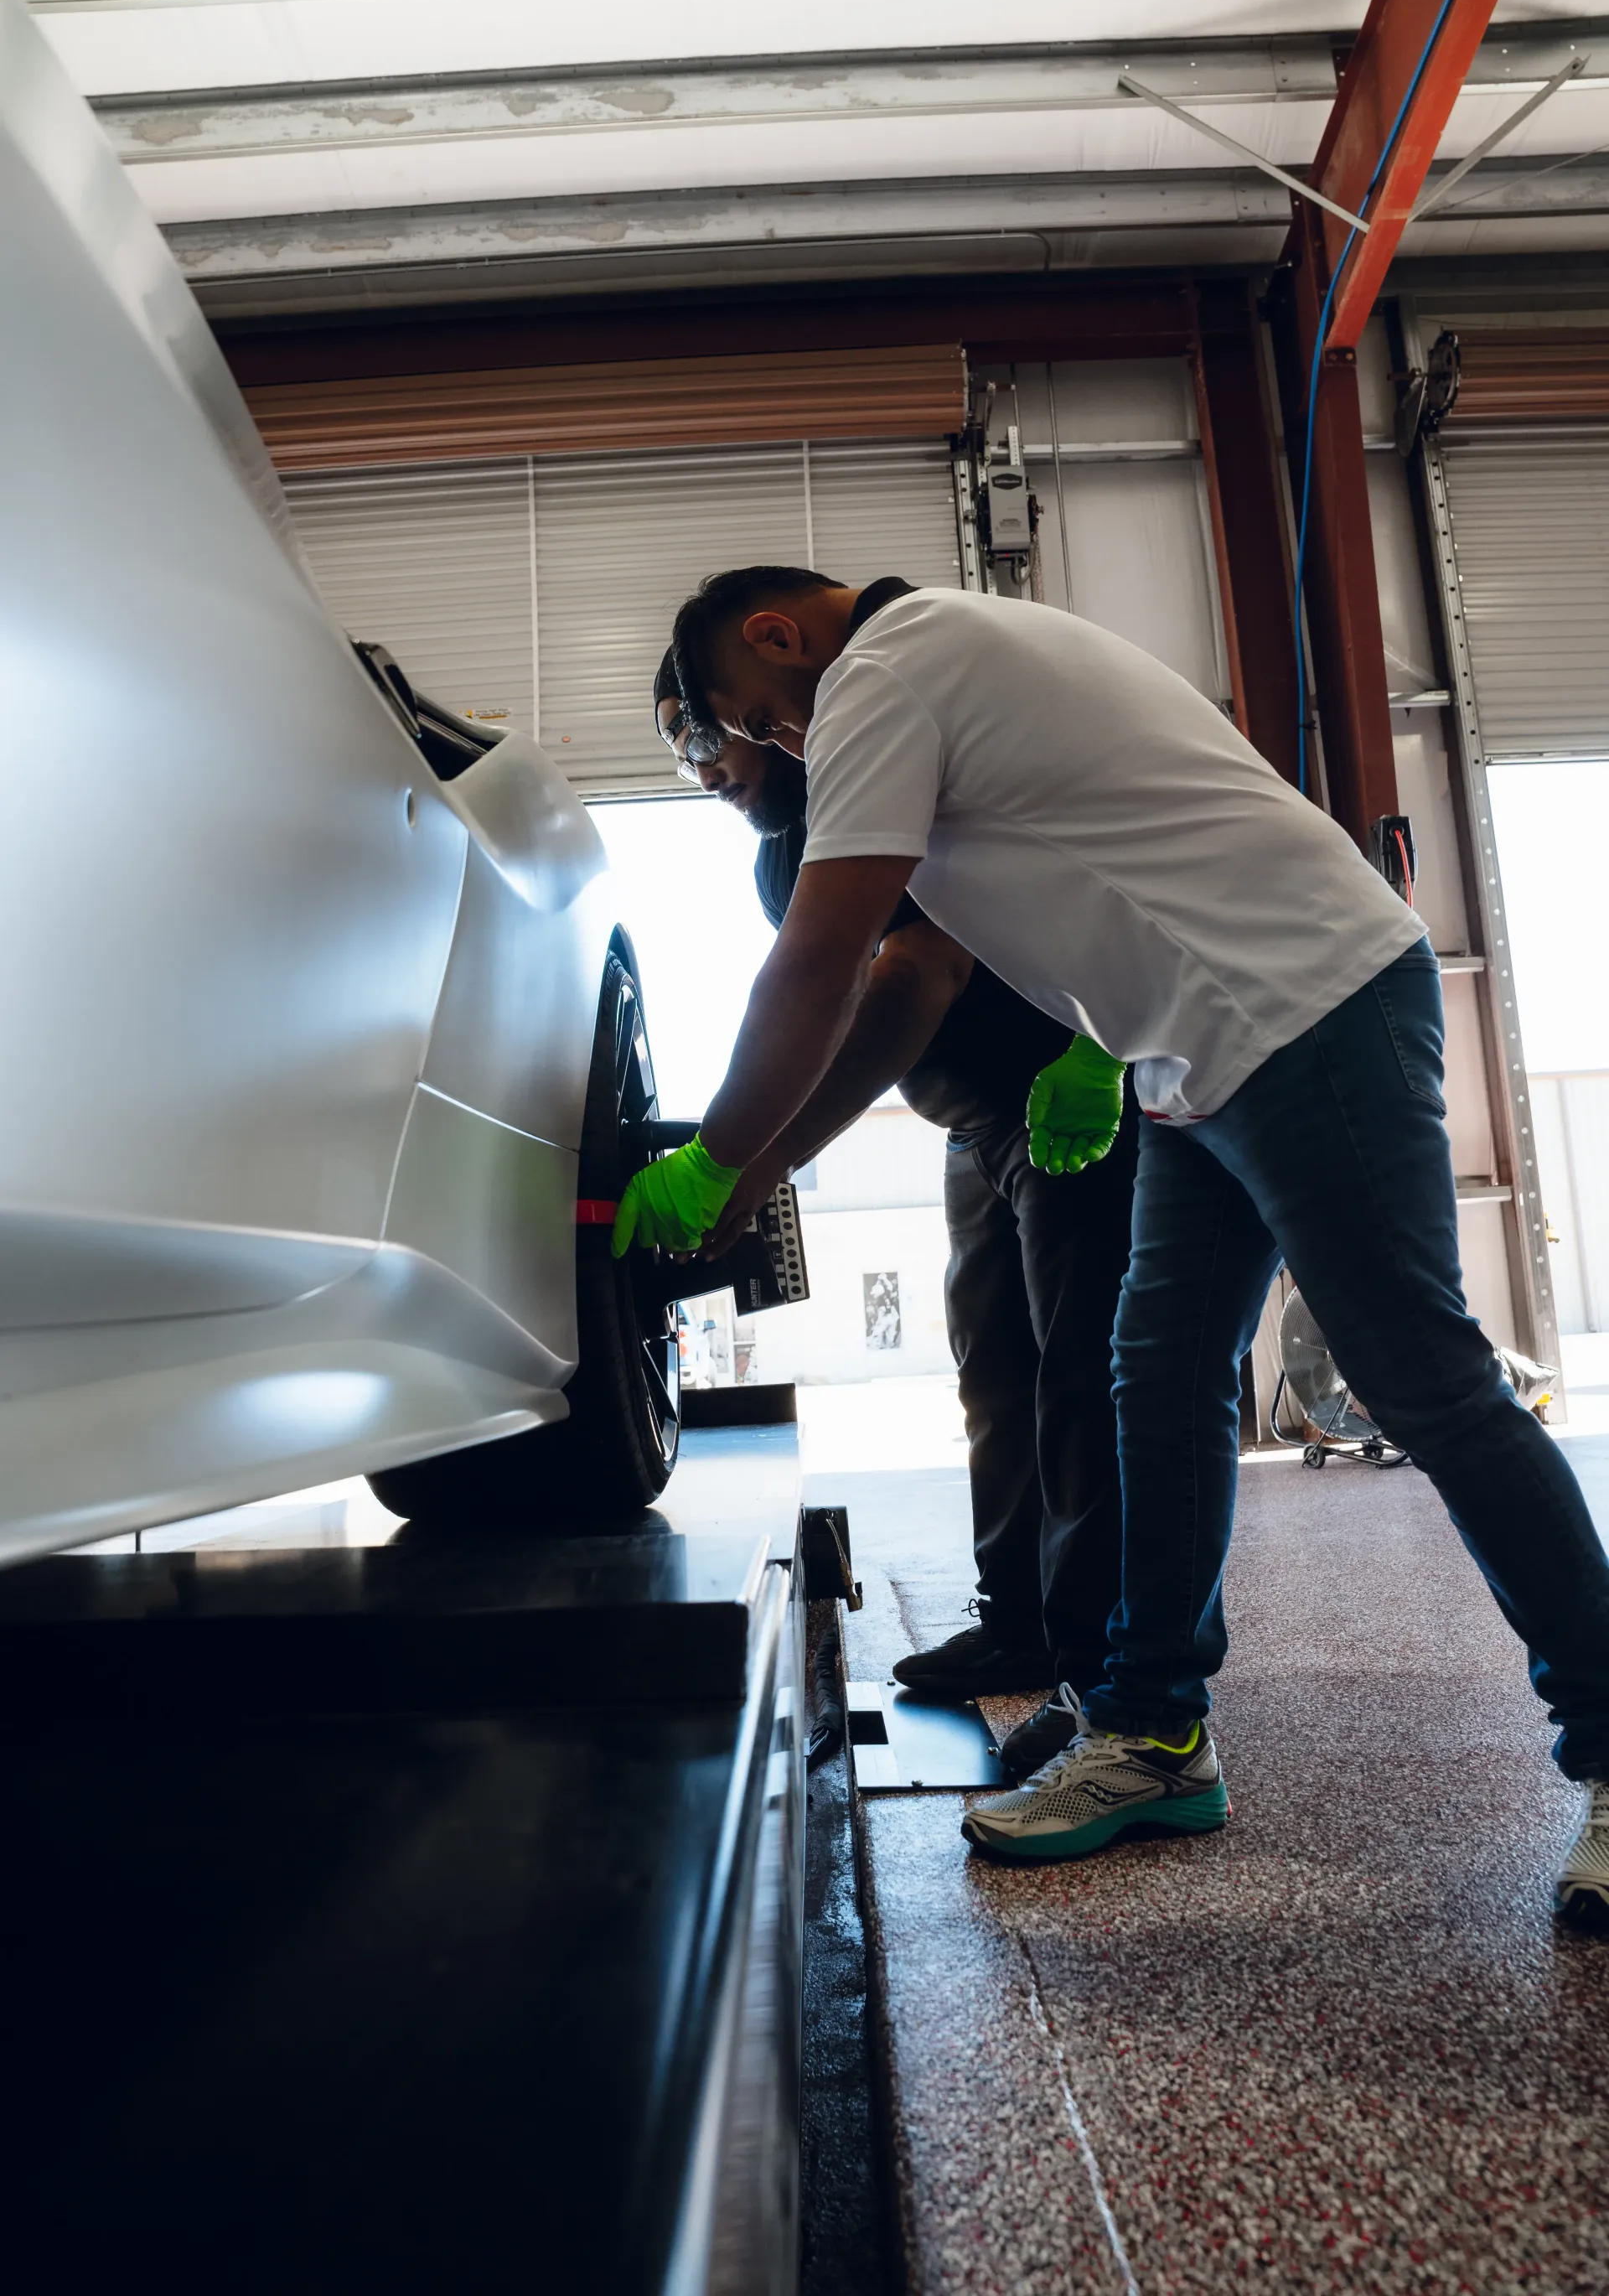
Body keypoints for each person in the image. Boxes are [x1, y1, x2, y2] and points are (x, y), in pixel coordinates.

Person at [617, 568, 1609, 1926]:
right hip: (1192, 1048)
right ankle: (1152, 1733)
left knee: (1423, 1378)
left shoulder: (885, 673)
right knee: (1159, 1371)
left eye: (754, 719)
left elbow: (829, 958)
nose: (774, 746)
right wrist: (787, 1150)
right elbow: (999, 924)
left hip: (1303, 1004)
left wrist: (727, 1153)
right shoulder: (940, 667)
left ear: (778, 637)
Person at [652, 630, 1139, 1757]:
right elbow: (825, 1016)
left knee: (1079, 1384)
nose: (706, 769)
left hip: (1060, 1112)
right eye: (681, 753)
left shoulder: (872, 797)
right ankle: (1017, 1624)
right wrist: (745, 1142)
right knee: (995, 1375)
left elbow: (922, 975)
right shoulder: (785, 860)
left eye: (707, 733)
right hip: (976, 1130)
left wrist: (759, 1156)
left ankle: (1101, 1673)